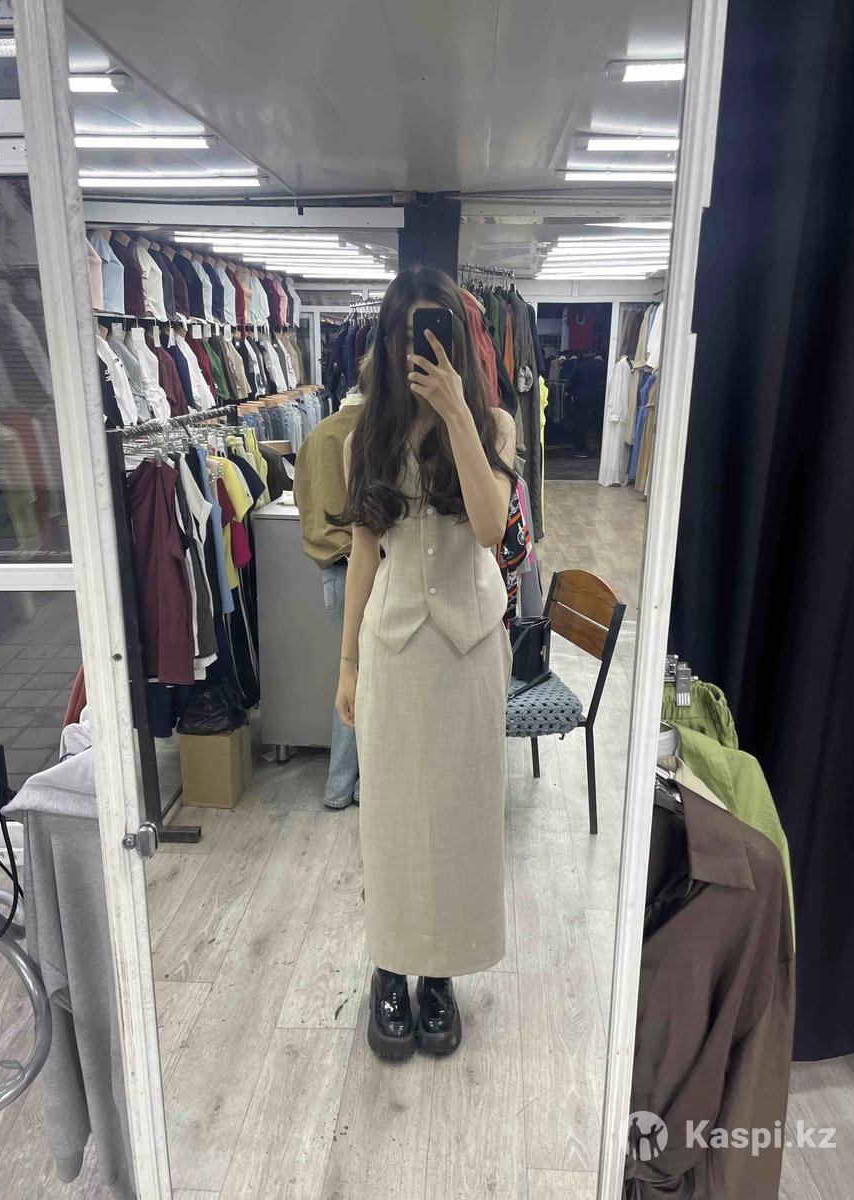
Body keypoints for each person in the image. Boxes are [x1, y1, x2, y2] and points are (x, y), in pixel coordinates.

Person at [330, 266, 516, 1060]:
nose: (422, 345)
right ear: (389, 341)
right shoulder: (363, 435)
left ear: (459, 340)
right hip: (394, 651)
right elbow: (362, 555)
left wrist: (458, 415)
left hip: (470, 651)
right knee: (393, 822)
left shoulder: (495, 426)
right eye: (409, 332)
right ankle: (390, 967)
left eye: (434, 329)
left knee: (464, 819)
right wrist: (346, 665)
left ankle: (440, 975)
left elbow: (489, 527)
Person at [293, 385, 366, 808]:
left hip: (330, 571)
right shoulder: (374, 431)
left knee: (353, 679)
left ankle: (342, 785)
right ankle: (351, 785)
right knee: (366, 682)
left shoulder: (317, 434)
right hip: (364, 569)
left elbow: (301, 498)